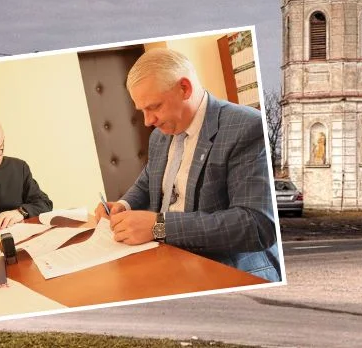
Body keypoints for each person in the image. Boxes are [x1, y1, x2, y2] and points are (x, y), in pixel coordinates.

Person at [96, 48, 280, 282]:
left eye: (154, 107)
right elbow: (148, 181)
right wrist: (124, 205)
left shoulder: (248, 127)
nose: (148, 121)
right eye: (142, 110)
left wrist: (159, 227)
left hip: (226, 270)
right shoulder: (159, 136)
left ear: (184, 88)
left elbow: (257, 225)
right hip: (165, 258)